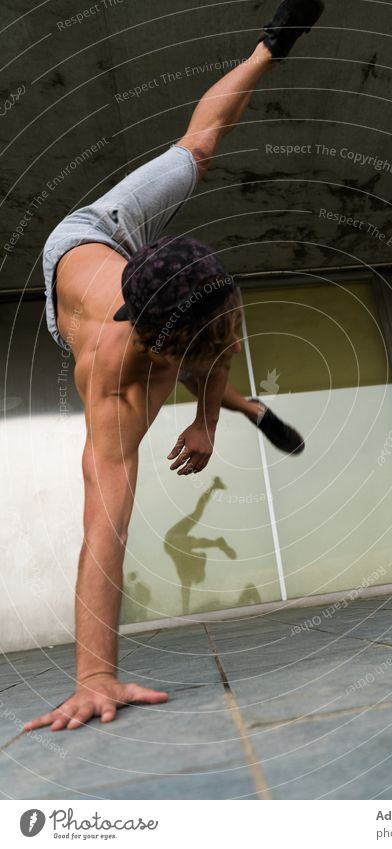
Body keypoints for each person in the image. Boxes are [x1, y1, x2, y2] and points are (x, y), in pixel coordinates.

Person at [24, 0, 324, 734]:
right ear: (153, 346)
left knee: (198, 147)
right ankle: (249, 407)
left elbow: (207, 128)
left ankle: (269, 39)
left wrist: (206, 419)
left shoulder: (202, 294)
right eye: (190, 357)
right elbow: (105, 525)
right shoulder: (117, 380)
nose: (222, 348)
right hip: (78, 279)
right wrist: (96, 673)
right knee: (118, 470)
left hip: (110, 238)